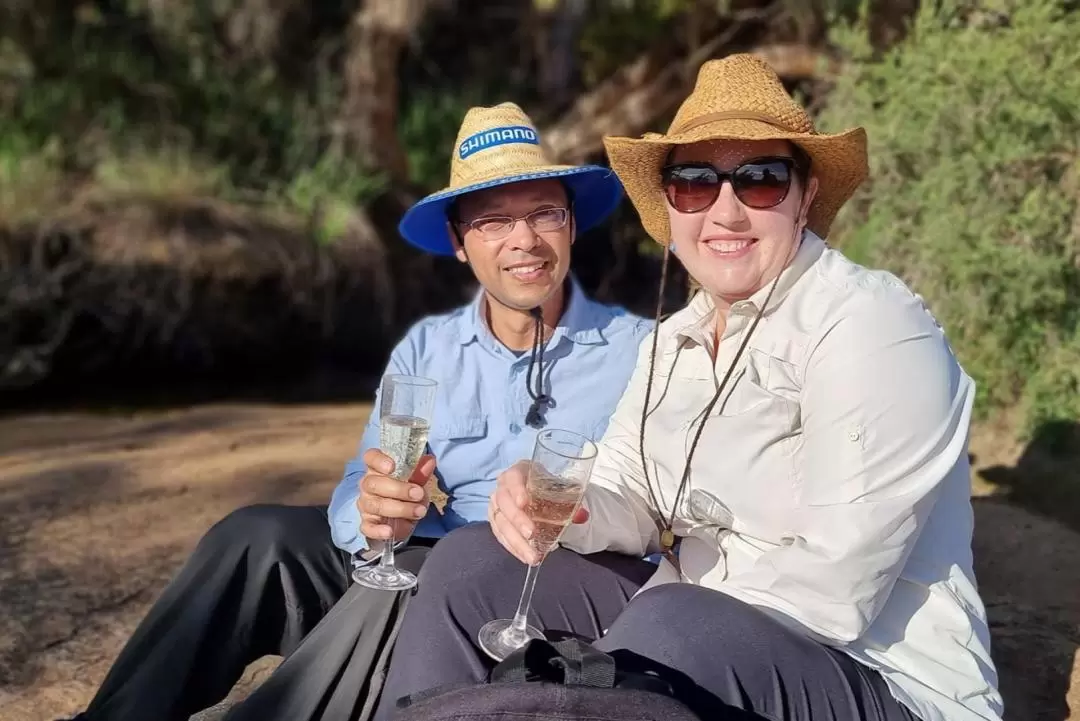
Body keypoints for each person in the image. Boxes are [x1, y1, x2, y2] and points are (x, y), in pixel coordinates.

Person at [373, 54, 1004, 721]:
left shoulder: (871, 324)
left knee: (670, 627)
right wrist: (555, 503)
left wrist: (626, 633)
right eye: (696, 182)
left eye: (761, 179)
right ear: (670, 202)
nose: (726, 210)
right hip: (696, 624)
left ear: (806, 195)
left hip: (883, 680)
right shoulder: (675, 338)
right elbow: (629, 492)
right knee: (473, 562)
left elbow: (836, 590)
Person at [64, 102, 650, 721]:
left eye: (544, 214)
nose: (524, 240)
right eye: (492, 222)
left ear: (572, 225)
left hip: (529, 594)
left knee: (420, 578)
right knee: (257, 536)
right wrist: (371, 515)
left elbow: (650, 515)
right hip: (424, 558)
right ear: (458, 244)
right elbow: (359, 482)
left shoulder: (641, 351)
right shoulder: (428, 346)